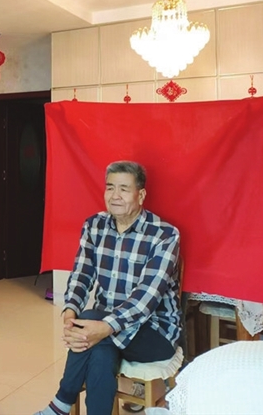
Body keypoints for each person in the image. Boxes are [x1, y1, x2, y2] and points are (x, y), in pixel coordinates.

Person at [35, 161, 181, 415]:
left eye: (124, 189)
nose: (115, 196)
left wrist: (100, 326)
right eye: (110, 187)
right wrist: (70, 313)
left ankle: (60, 405)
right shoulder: (95, 226)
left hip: (155, 331)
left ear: (141, 195)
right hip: (105, 322)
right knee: (100, 347)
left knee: (93, 326)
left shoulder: (164, 235)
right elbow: (82, 274)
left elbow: (145, 299)